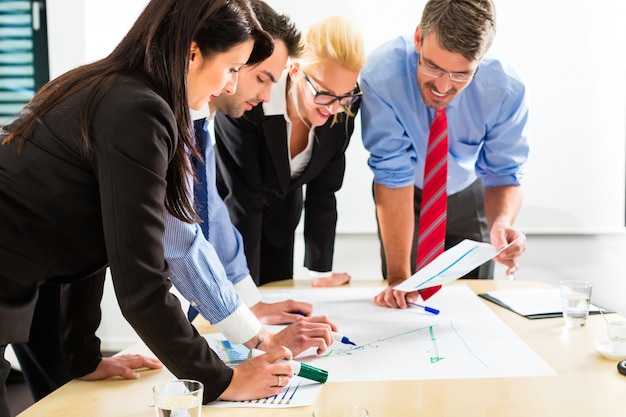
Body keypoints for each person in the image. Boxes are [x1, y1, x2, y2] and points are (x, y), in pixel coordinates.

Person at [9, 0, 339, 405]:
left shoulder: (124, 92)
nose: (234, 85)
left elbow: (95, 237)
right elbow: (142, 282)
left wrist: (83, 357)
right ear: (193, 51)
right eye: (233, 68)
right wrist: (222, 381)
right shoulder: (139, 111)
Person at [360, 0, 529, 309]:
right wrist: (398, 276)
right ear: (417, 39)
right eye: (433, 66)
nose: (442, 86)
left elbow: (503, 173)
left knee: (474, 304)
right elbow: (391, 172)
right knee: (403, 296)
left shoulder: (506, 89)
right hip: (403, 193)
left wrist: (502, 222)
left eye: (461, 74)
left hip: (468, 193)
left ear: (480, 60)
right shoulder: (381, 75)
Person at [214, 15, 365, 287]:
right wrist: (245, 293)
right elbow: (244, 199)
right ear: (295, 71)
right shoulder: (248, 102)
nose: (333, 108)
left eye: (345, 95)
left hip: (280, 225)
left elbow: (325, 190)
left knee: (278, 308)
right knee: (228, 312)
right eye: (324, 93)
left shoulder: (344, 107)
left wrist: (321, 271)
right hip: (228, 222)